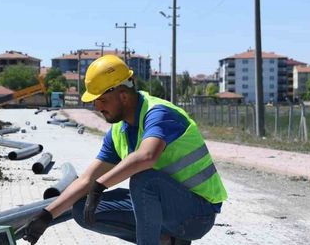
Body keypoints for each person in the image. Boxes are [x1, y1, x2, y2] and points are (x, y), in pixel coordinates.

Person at [21, 55, 227, 245]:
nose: (97, 107)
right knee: (82, 209)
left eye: (102, 100)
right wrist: (46, 215)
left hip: (196, 214)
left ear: (123, 96)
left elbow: (147, 156)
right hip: (166, 209)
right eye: (94, 101)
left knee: (144, 179)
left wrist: (100, 185)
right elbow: (86, 180)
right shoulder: (118, 131)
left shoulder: (160, 114)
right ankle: (167, 241)